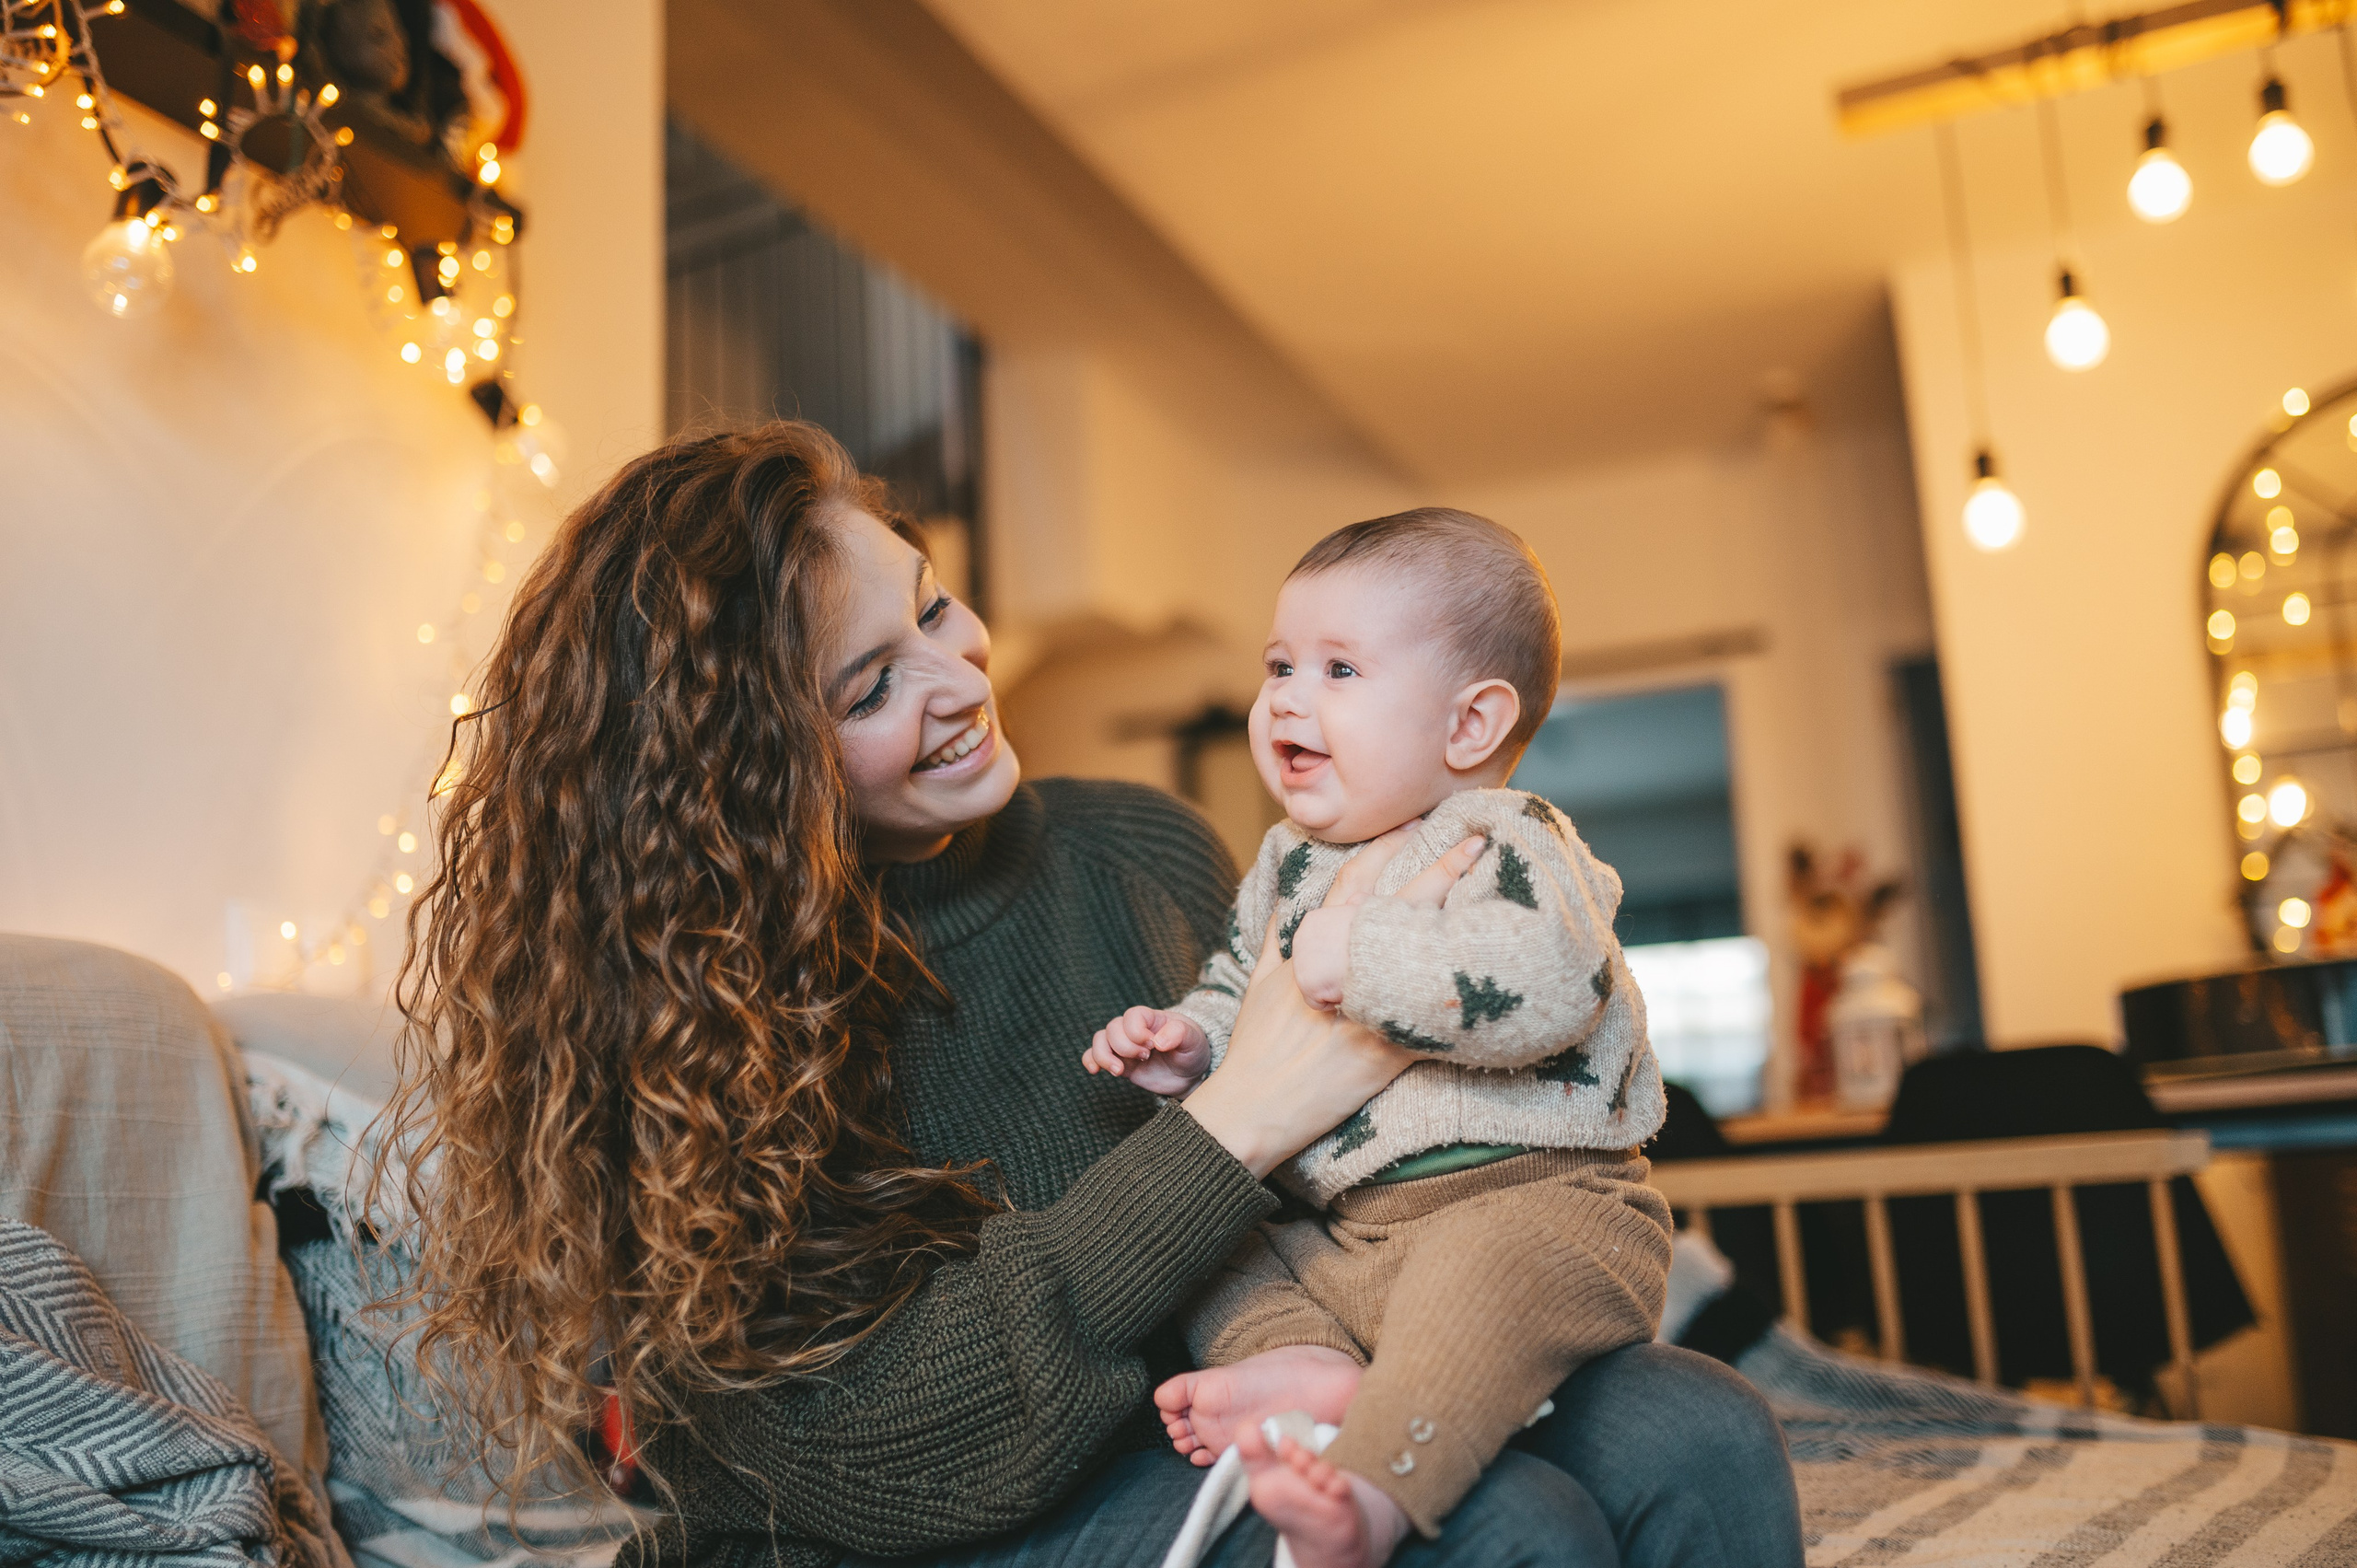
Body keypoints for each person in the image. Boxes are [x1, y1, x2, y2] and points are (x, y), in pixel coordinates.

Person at [378, 421, 1804, 1568]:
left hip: (1181, 1410)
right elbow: (880, 1457)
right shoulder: (702, 1019)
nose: (961, 673)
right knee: (1500, 1531)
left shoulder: (1137, 844)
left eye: (936, 605)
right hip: (898, 1519)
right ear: (739, 776)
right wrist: (1239, 1115)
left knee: (1702, 1430)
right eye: (874, 683)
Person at [1081, 510, 1672, 1568]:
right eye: (1278, 664)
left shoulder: (1513, 837)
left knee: (1473, 1284)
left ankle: (1370, 1495)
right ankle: (1300, 1363)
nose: (1285, 699)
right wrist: (1192, 1043)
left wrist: (1369, 955)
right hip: (1355, 1234)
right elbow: (1242, 989)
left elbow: (1555, 980)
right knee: (1206, 1237)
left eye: (1339, 668)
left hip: (1532, 1207)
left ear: (1468, 725)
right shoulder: (1285, 862)